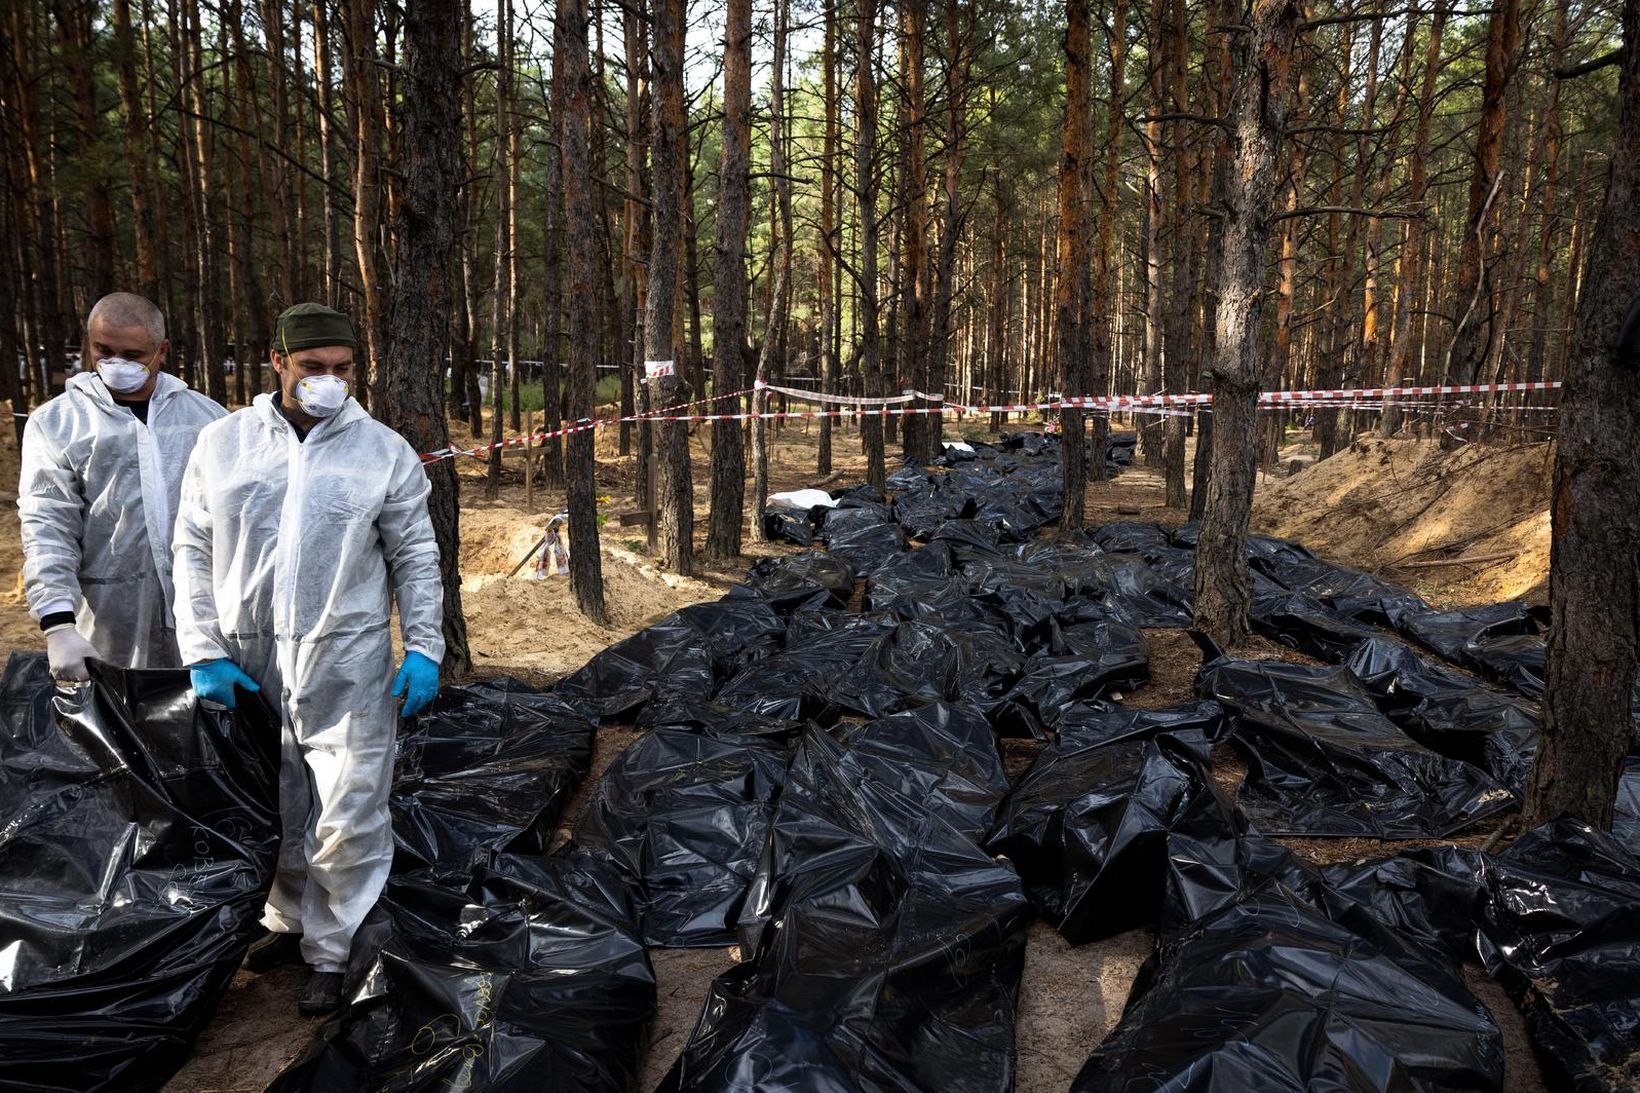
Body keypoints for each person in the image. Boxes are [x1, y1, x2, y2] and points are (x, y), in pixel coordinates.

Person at [171, 302, 444, 1016]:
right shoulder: (223, 444)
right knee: (277, 798)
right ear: (278, 362)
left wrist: (423, 646)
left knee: (349, 805)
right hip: (247, 655)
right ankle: (289, 921)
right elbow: (192, 548)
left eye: (343, 369)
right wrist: (201, 648)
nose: (330, 381)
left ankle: (333, 947)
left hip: (345, 655)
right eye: (313, 368)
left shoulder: (380, 449)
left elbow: (416, 554)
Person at [17, 292, 227, 680]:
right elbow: (48, 525)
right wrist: (58, 623)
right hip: (107, 620)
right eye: (103, 350)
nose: (115, 364)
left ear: (160, 351)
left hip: (205, 620)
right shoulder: (58, 424)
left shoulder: (206, 418)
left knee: (207, 733)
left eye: (132, 355)